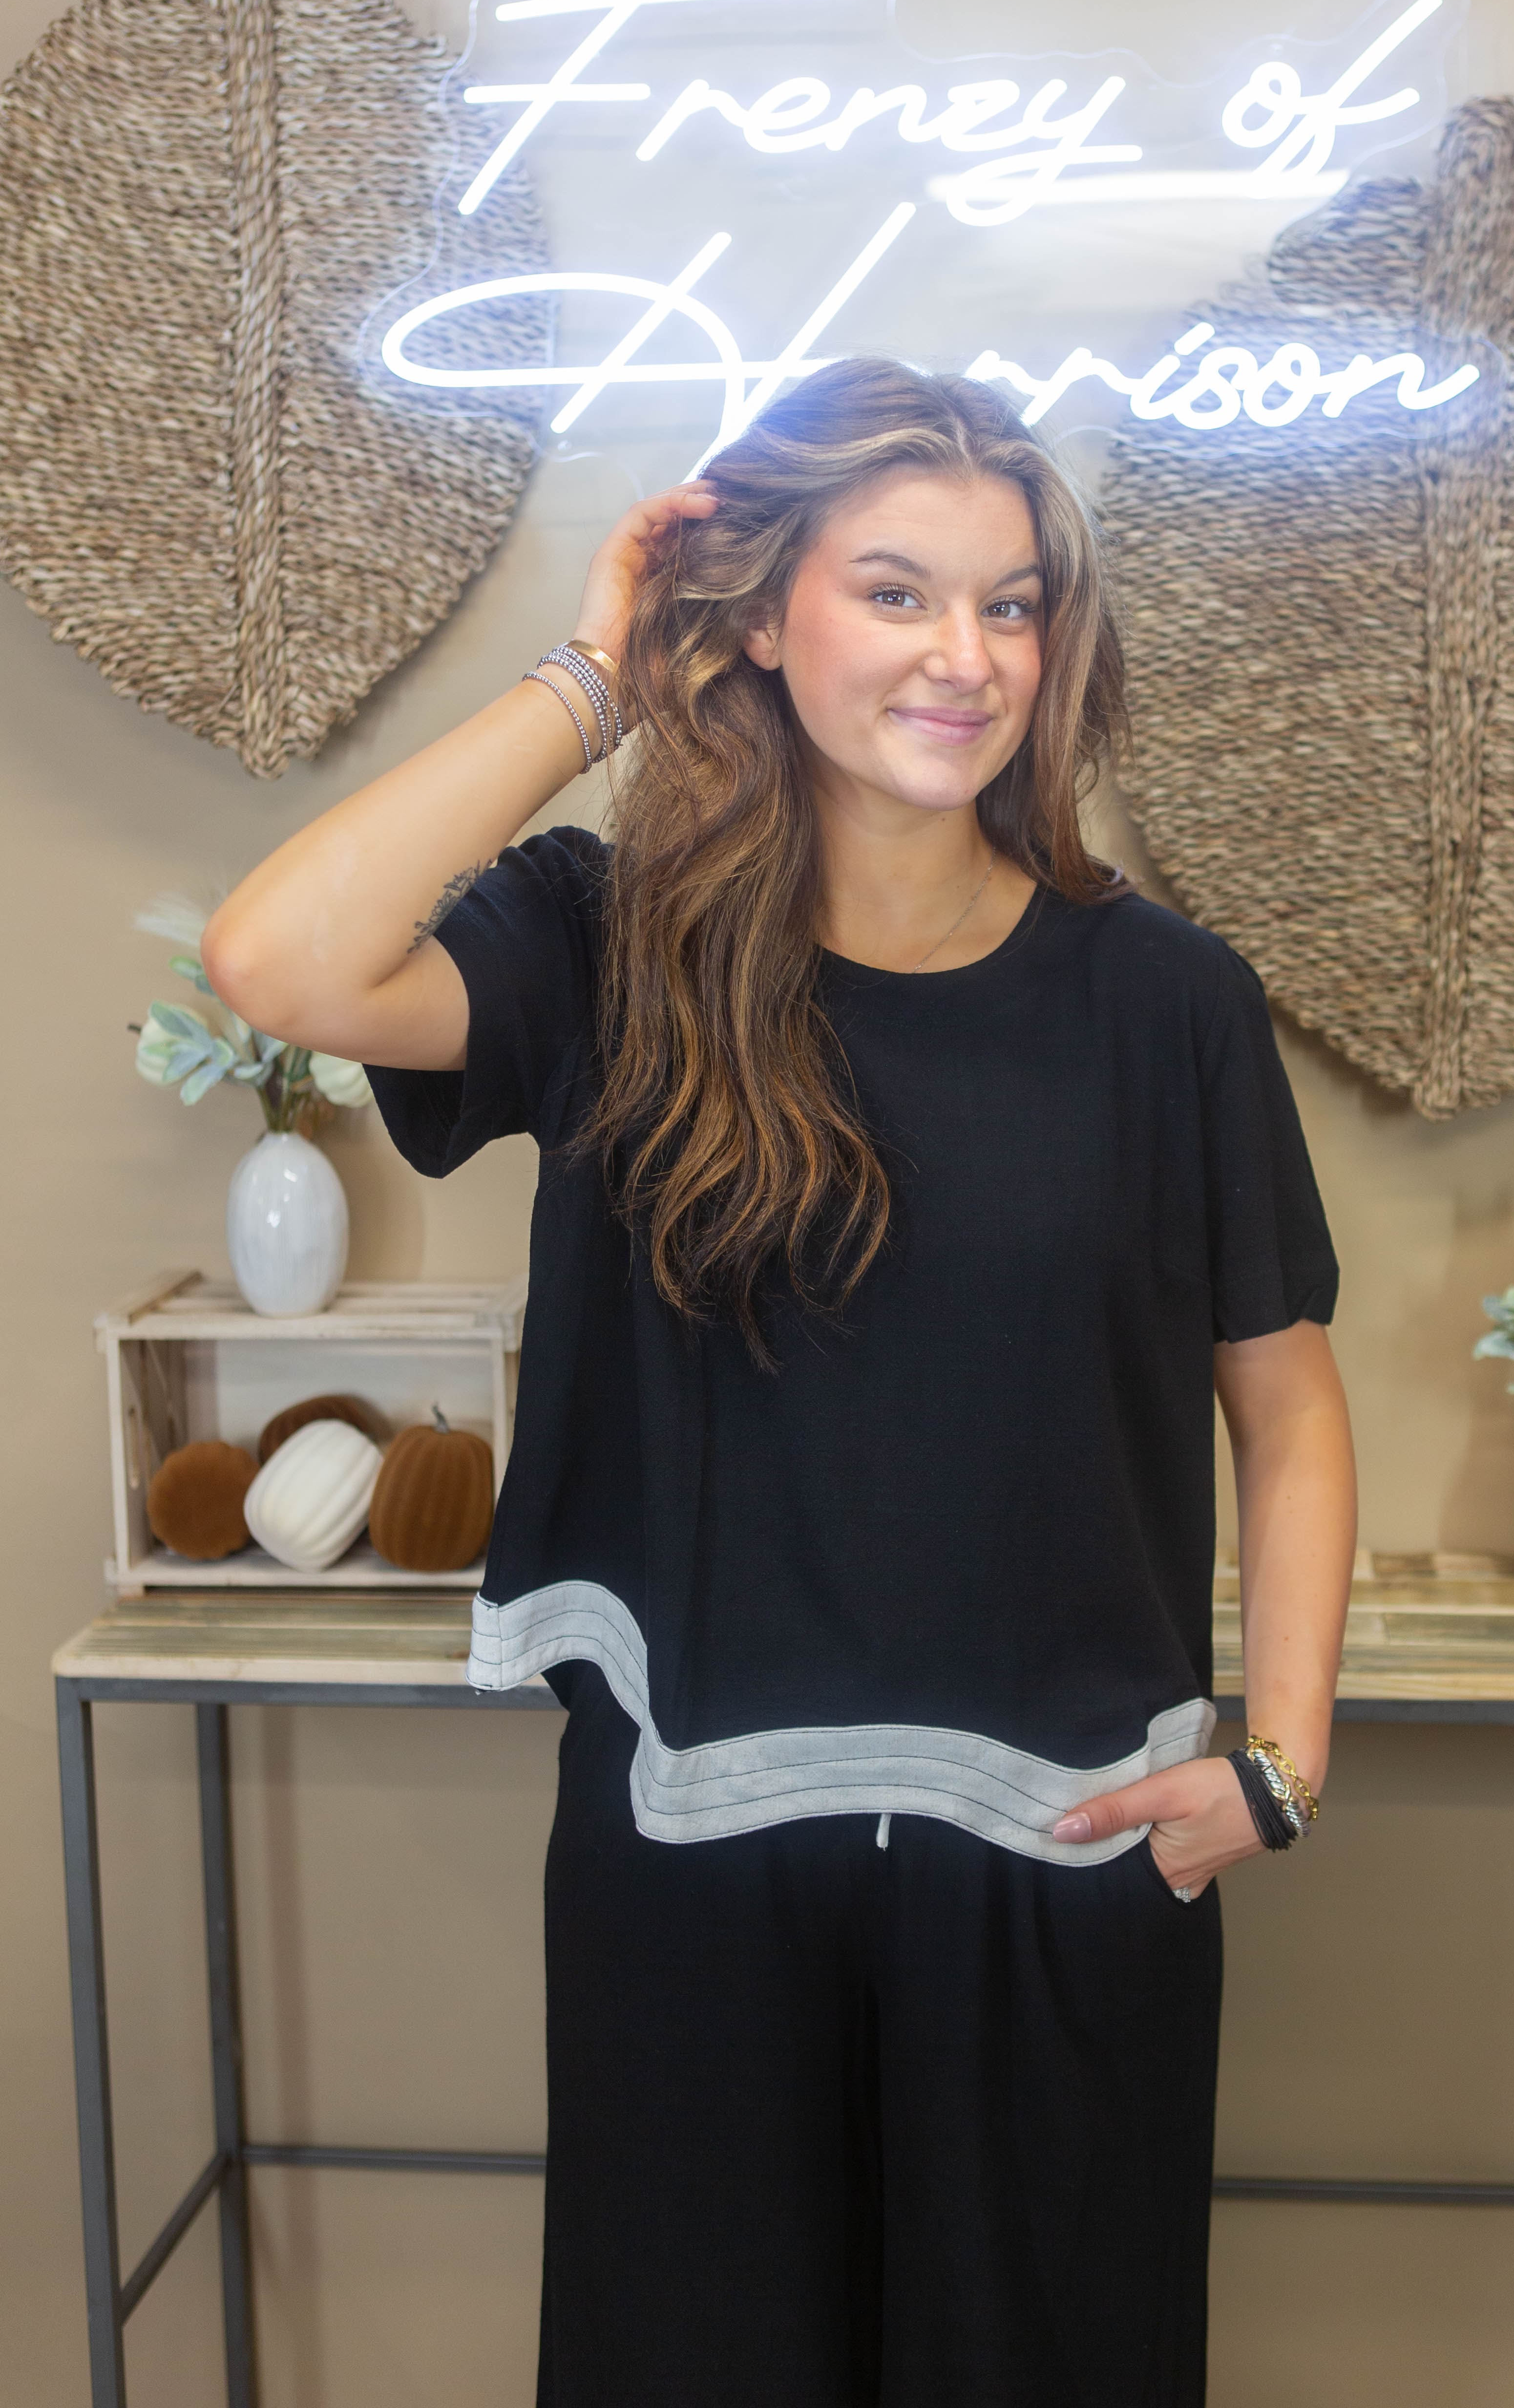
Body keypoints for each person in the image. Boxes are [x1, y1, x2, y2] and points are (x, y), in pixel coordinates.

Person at [203, 356, 1358, 2408]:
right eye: (897, 591)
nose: (965, 656)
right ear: (757, 620)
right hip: (694, 1862)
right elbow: (281, 960)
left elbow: (1287, 1406)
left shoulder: (1167, 1003)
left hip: (1066, 1864)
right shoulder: (603, 947)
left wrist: (1278, 1764)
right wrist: (593, 676)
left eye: (1010, 606)